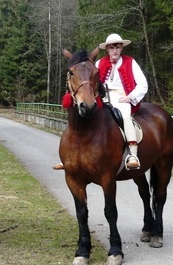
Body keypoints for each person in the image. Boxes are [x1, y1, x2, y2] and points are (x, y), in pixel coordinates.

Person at [53, 33, 148, 171]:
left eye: (117, 47)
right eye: (111, 47)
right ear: (107, 49)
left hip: (122, 98)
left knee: (126, 116)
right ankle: (70, 155)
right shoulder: (98, 63)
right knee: (79, 115)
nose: (114, 50)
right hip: (103, 97)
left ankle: (133, 155)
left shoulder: (130, 62)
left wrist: (131, 97)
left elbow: (143, 84)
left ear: (121, 48)